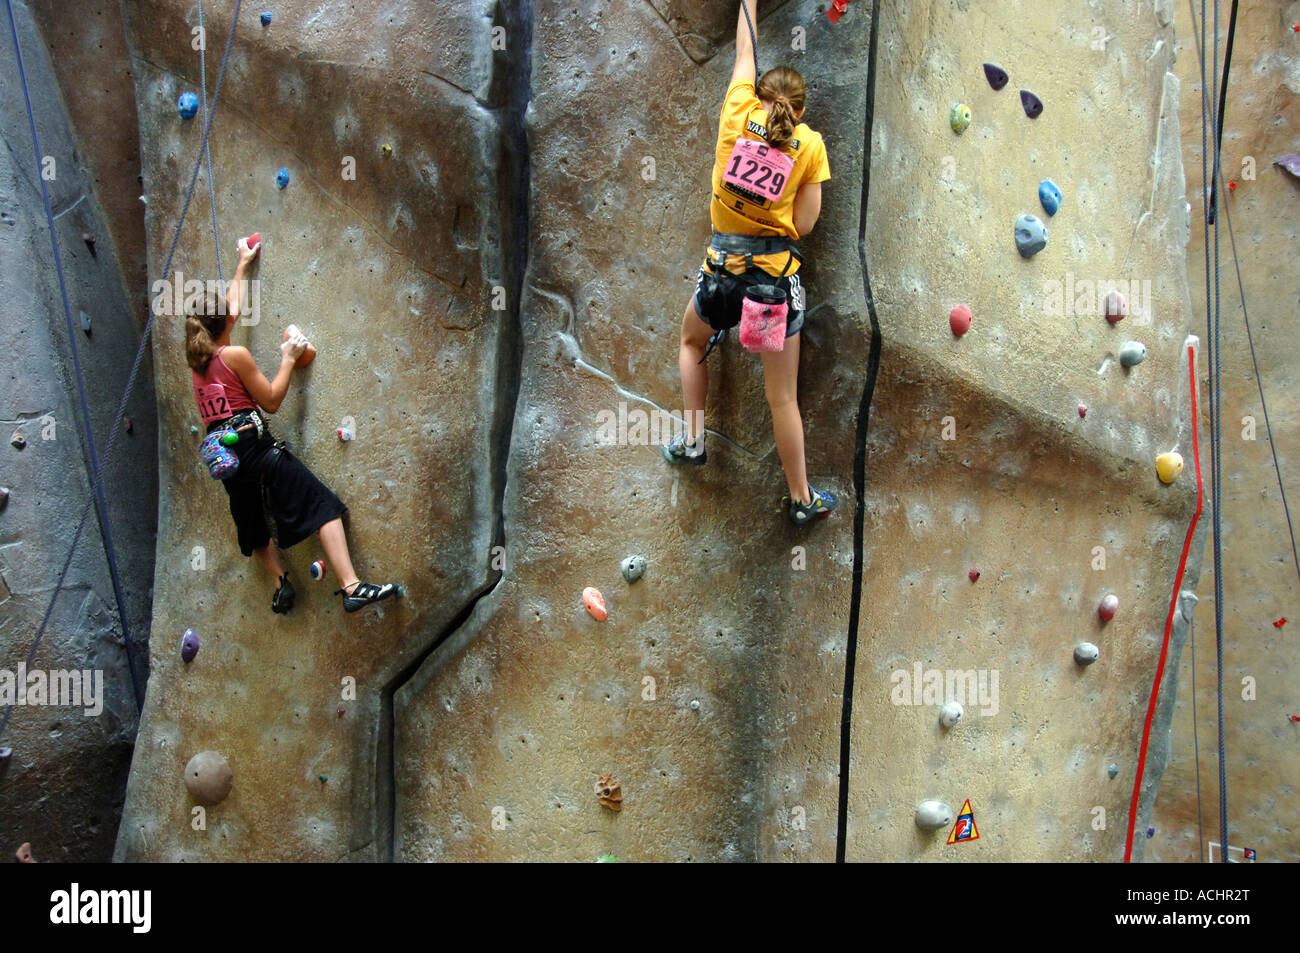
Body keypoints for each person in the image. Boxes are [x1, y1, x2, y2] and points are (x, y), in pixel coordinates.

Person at [663, 0, 838, 525]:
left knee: (692, 341)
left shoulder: (738, 108)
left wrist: (749, 3)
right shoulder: (809, 145)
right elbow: (805, 225)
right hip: (770, 290)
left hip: (721, 275)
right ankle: (802, 500)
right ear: (799, 110)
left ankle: (694, 441)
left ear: (761, 95)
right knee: (781, 398)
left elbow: (746, 48)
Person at [186, 235, 399, 614]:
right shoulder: (234, 355)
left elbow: (228, 309)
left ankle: (280, 582)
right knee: (322, 504)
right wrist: (287, 358)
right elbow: (270, 400)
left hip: (226, 459)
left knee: (250, 523)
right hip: (254, 448)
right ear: (227, 324)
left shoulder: (199, 362)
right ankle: (351, 586)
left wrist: (242, 264)